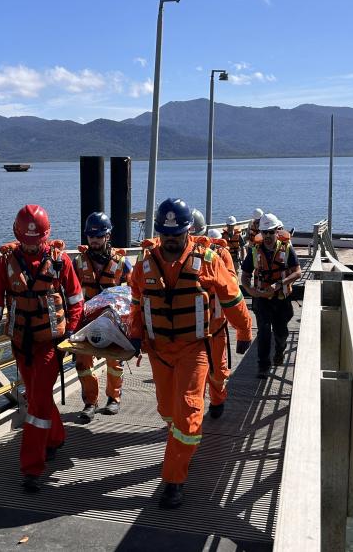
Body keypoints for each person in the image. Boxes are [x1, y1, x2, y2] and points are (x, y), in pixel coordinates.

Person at [129, 198, 253, 509]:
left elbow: (233, 297)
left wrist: (244, 330)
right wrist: (133, 335)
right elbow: (135, 301)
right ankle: (182, 449)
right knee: (167, 411)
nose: (170, 239)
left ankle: (173, 480)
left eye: (176, 233)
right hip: (158, 351)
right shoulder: (144, 265)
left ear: (187, 231)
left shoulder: (209, 260)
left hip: (194, 349)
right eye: (165, 233)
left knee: (187, 411)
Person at [0, 204, 84, 493]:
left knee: (35, 402)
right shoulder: (6, 263)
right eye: (27, 240)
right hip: (21, 343)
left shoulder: (61, 261)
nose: (31, 245)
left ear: (46, 236)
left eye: (36, 241)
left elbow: (75, 300)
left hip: (51, 343)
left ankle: (32, 468)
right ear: (17, 235)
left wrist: (72, 330)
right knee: (40, 395)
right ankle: (56, 437)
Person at [74, 212, 132, 421]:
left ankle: (114, 399)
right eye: (91, 236)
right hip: (87, 321)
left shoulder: (123, 262)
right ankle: (90, 402)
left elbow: (134, 292)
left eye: (98, 236)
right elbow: (70, 291)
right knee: (82, 362)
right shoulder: (78, 262)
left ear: (108, 236)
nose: (94, 240)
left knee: (114, 361)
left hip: (112, 321)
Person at [240, 213, 301, 374]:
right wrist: (249, 290)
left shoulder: (286, 249)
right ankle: (263, 365)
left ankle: (280, 350)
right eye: (264, 232)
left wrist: (279, 284)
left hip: (281, 299)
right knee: (264, 330)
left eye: (270, 232)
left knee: (281, 333)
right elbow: (245, 275)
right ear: (260, 232)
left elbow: (297, 272)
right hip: (262, 300)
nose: (267, 236)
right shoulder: (254, 251)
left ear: (277, 231)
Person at [200, 228, 237, 418]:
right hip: (193, 327)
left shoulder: (222, 256)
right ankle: (195, 408)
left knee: (217, 369)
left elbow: (231, 283)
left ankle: (217, 401)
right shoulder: (187, 256)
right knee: (193, 372)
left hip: (216, 324)